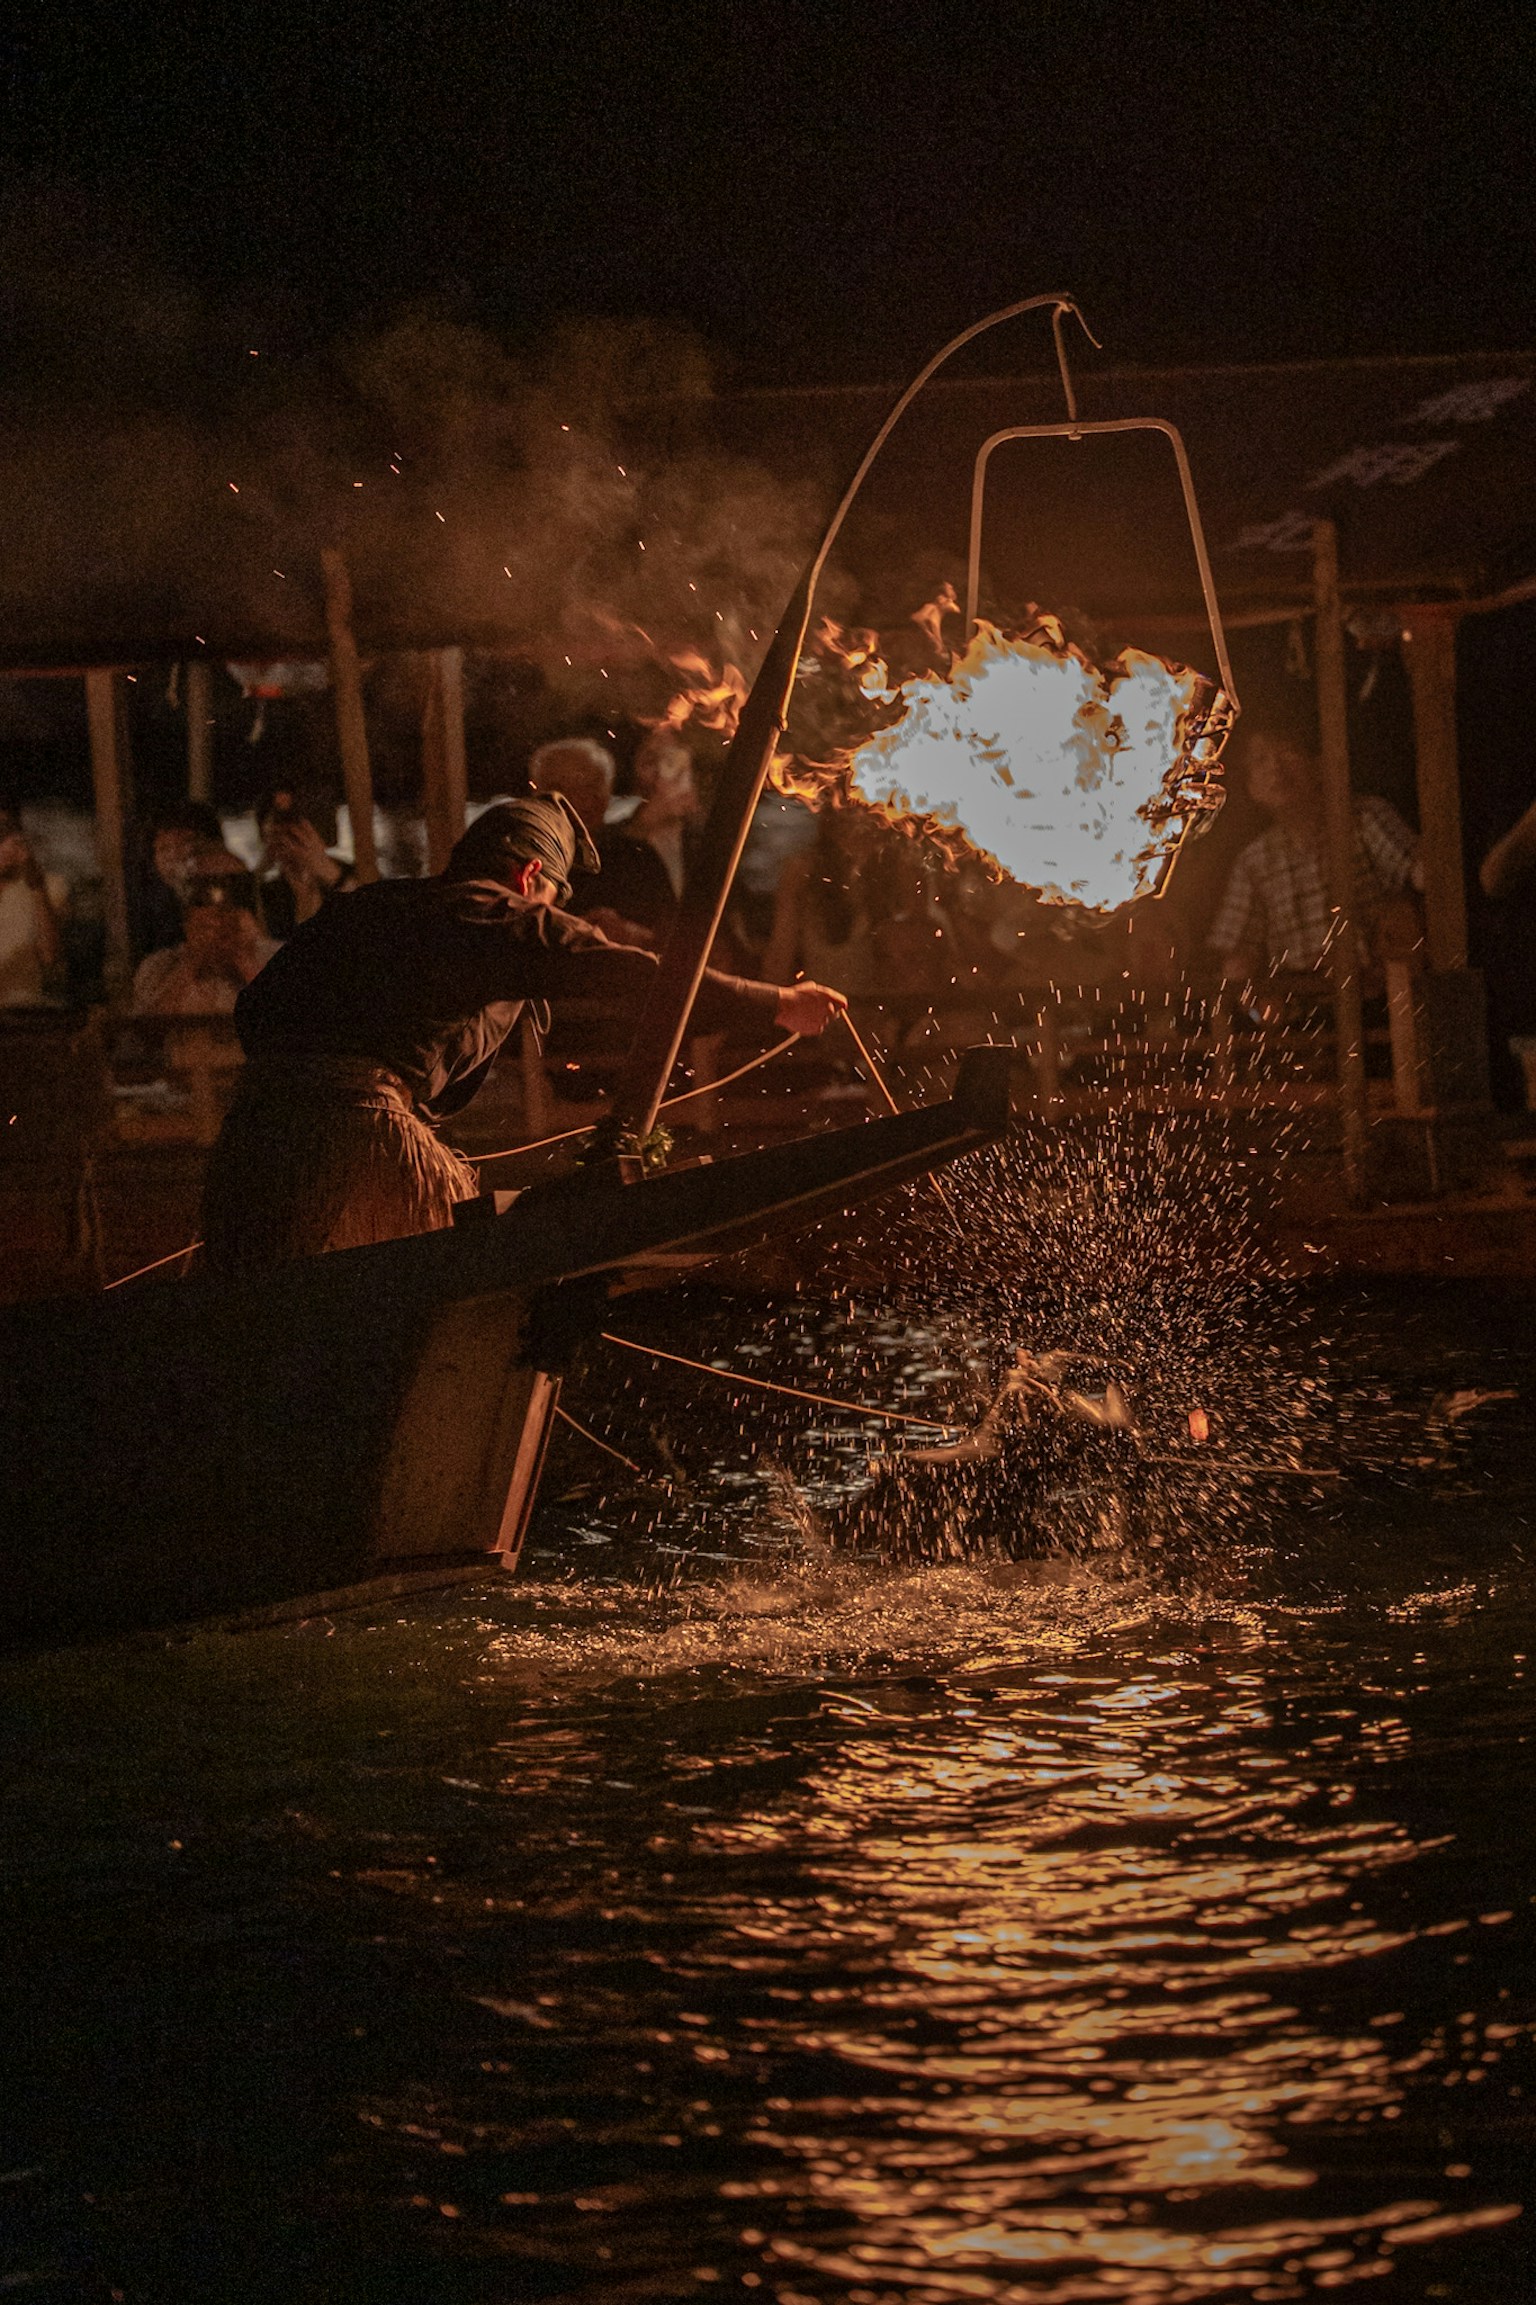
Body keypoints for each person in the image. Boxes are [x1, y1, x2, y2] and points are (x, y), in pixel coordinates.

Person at [200, 794, 847, 1275]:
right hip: (360, 1140)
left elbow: (256, 1008)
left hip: (252, 1139)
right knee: (451, 1283)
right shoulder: (496, 911)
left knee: (251, 1299)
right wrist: (779, 1002)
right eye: (552, 900)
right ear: (531, 876)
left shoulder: (373, 904)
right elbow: (640, 980)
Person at [1209, 731, 1422, 982]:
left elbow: (1422, 872)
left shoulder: (1364, 819)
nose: (1275, 767)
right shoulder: (1253, 862)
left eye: (1288, 752)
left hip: (1382, 996)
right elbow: (1238, 957)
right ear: (1252, 788)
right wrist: (1258, 1010)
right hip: (1304, 1009)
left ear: (1319, 766)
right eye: (1260, 760)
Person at [131, 867, 279, 1016]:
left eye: (225, 922)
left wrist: (243, 961)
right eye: (205, 926)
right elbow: (148, 1027)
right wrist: (193, 964)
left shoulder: (275, 957)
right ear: (187, 924)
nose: (215, 932)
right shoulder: (158, 967)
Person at [255, 784, 355, 940]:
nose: (288, 843)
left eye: (294, 833)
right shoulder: (266, 893)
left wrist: (329, 872)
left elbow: (375, 923)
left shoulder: (353, 874)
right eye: (276, 834)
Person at [0, 802, 67, 1007]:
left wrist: (37, 886)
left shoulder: (47, 887)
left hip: (20, 1008)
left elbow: (49, 955)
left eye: (6, 833)